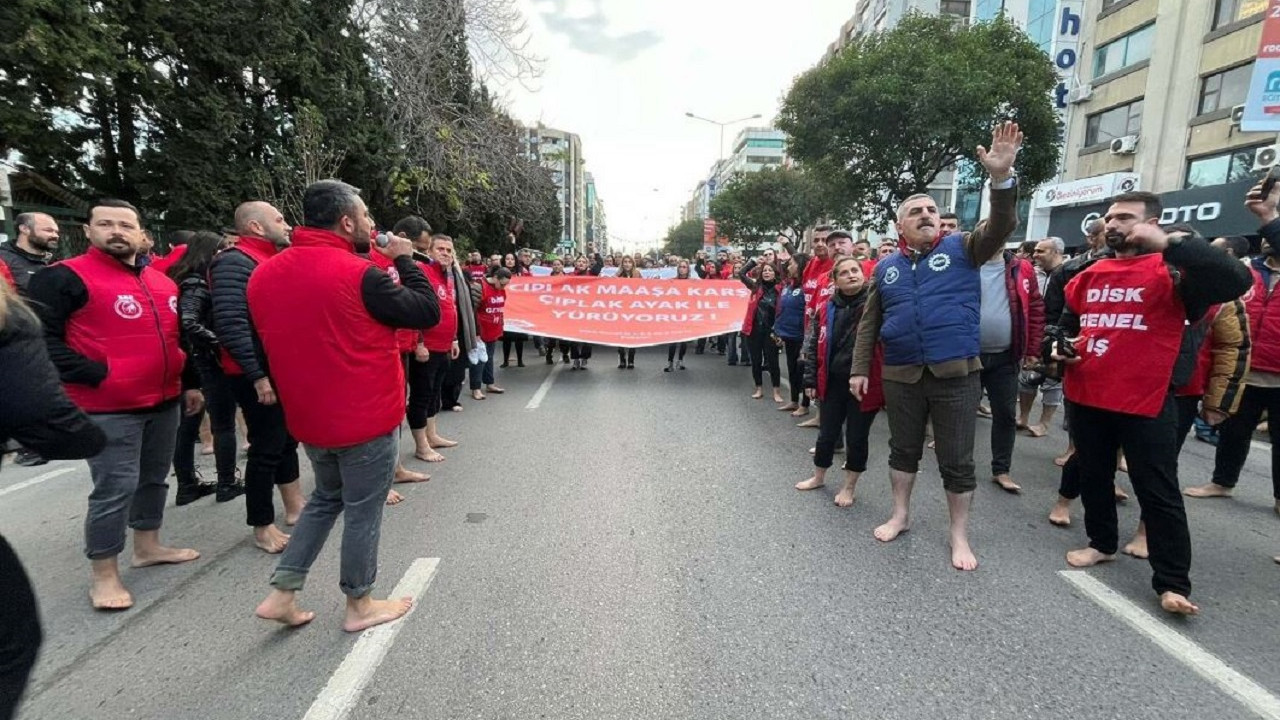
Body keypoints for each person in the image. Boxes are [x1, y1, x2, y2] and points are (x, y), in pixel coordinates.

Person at [249, 179, 440, 631]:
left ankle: (284, 590)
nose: (374, 224)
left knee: (324, 499)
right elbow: (424, 312)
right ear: (347, 220)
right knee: (362, 510)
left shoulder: (264, 273)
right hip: (364, 415)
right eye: (367, 215)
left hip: (309, 417)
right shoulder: (360, 274)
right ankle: (360, 603)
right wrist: (407, 261)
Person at [1057, 192, 1251, 615]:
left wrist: (1172, 243)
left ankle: (1172, 582)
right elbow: (1069, 322)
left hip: (1148, 400)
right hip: (1088, 394)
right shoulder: (1090, 272)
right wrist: (1060, 347)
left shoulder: (1177, 272)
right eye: (1109, 217)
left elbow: (1238, 281)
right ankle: (1101, 543)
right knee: (1094, 476)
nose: (1112, 224)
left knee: (1158, 490)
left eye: (1124, 217)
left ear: (1153, 223)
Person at [850, 122, 1024, 571]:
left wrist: (1001, 180)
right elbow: (871, 322)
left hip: (957, 376)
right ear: (899, 226)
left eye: (931, 209)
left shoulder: (965, 248)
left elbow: (1002, 224)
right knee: (902, 450)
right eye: (916, 212)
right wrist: (859, 368)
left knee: (957, 460)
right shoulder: (885, 267)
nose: (927, 215)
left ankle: (958, 535)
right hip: (902, 375)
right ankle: (901, 515)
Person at [28, 199, 206, 610]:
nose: (116, 232)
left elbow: (179, 339)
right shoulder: (63, 278)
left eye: (126, 225)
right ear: (88, 231)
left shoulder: (163, 283)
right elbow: (41, 342)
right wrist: (100, 373)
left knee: (154, 477)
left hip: (163, 399)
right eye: (105, 223)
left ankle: (148, 545)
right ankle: (104, 573)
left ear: (141, 234)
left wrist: (190, 382)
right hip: (107, 406)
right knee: (114, 488)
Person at [0, 274, 106, 719]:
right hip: (102, 404)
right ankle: (108, 570)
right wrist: (85, 435)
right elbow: (37, 410)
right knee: (11, 641)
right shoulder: (20, 310)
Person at [210, 201, 304, 553]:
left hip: (280, 368)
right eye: (279, 219)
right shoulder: (235, 262)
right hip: (256, 373)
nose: (287, 224)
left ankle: (295, 507)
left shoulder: (269, 260)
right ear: (256, 227)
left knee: (286, 440)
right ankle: (262, 525)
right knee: (266, 447)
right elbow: (232, 324)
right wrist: (257, 375)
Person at [1186, 181, 1280, 510]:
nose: (1268, 240)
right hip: (1246, 372)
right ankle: (1222, 482)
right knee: (1233, 431)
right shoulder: (1245, 273)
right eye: (1266, 236)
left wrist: (1270, 213)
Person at [796, 256, 883, 507]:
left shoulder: (877, 305)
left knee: (856, 437)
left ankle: (848, 487)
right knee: (827, 434)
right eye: (844, 273)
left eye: (855, 270)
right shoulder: (825, 308)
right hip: (833, 381)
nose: (852, 275)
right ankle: (818, 477)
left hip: (864, 383)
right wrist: (810, 379)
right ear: (834, 281)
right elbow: (814, 345)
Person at [168, 231, 241, 505]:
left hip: (197, 361)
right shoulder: (196, 283)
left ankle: (189, 484)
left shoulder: (191, 280)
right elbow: (189, 322)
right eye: (224, 249)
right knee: (220, 424)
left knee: (192, 426)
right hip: (205, 363)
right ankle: (225, 482)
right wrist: (221, 344)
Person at [978, 245, 1044, 494]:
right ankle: (957, 466)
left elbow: (1035, 308)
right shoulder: (966, 264)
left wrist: (1033, 351)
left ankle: (1001, 470)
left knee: (1005, 414)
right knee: (960, 414)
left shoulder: (1022, 268)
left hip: (1006, 358)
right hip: (968, 356)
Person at [0, 212, 59, 467]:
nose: (55, 235)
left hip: (49, 332)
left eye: (56, 231)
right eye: (48, 230)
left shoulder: (47, 259)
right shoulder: (4, 260)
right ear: (24, 229)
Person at [409, 233, 461, 461]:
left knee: (434, 394)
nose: (446, 254)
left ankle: (432, 435)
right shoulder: (422, 272)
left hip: (443, 346)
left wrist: (454, 339)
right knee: (421, 395)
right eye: (440, 249)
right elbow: (414, 309)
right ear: (429, 251)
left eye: (449, 251)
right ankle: (421, 446)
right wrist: (419, 342)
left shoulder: (448, 277)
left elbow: (451, 309)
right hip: (425, 347)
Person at [1019, 237, 1066, 437]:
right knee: (1027, 376)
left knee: (1053, 380)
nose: (1035, 255)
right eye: (1035, 251)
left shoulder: (1068, 272)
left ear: (1056, 253)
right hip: (1035, 331)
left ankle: (1044, 423)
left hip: (1059, 332)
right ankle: (1023, 417)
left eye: (1041, 251)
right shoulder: (1031, 273)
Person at [741, 257, 783, 402]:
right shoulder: (755, 287)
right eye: (764, 270)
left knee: (773, 362)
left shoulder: (780, 289)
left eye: (770, 270)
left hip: (771, 332)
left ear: (775, 273)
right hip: (754, 331)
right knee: (756, 361)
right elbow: (741, 274)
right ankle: (759, 389)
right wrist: (753, 263)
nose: (766, 272)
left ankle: (776, 391)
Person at [776, 253, 811, 414]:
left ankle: (805, 404)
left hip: (802, 336)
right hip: (788, 334)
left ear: (800, 265)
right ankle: (794, 400)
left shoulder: (807, 286)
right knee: (791, 369)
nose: (789, 266)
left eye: (792, 263)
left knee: (802, 370)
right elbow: (781, 309)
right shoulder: (788, 286)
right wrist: (777, 330)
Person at [471, 267, 510, 396]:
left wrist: (501, 325)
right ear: (495, 277)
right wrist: (475, 332)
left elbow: (500, 309)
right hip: (480, 331)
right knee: (479, 359)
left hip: (493, 330)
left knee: (490, 357)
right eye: (502, 283)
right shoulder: (480, 287)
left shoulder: (501, 290)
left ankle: (489, 383)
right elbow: (473, 311)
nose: (503, 287)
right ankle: (476, 388)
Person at [499, 253, 528, 368]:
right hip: (505, 308)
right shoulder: (499, 273)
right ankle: (505, 360)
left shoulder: (521, 273)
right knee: (506, 337)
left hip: (518, 309)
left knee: (518, 337)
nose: (510, 261)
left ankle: (520, 360)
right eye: (507, 259)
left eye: (512, 259)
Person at [664, 260, 694, 371]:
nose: (682, 269)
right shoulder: (672, 281)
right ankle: (670, 363)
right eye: (680, 267)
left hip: (686, 315)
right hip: (674, 314)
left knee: (684, 340)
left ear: (688, 269)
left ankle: (680, 361)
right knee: (673, 340)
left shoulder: (692, 282)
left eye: (684, 267)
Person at [616, 255, 640, 369]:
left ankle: (631, 360)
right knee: (620, 336)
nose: (627, 264)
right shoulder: (617, 276)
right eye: (625, 262)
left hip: (633, 310)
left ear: (632, 264)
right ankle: (622, 359)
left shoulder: (637, 275)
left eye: (629, 262)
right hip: (620, 310)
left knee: (632, 336)